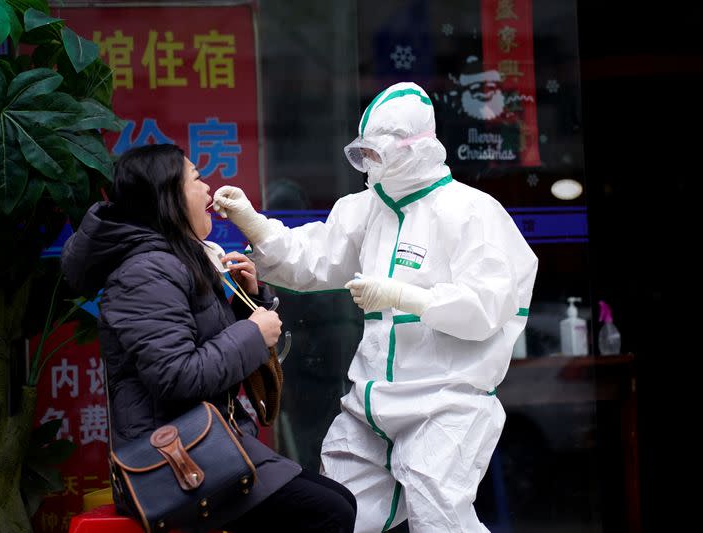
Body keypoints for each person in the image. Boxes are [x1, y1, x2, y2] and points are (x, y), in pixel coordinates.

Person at [212, 82, 538, 532]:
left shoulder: (471, 212)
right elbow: (312, 258)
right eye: (362, 153)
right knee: (337, 515)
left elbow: (488, 307)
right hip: (368, 406)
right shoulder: (366, 209)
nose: (369, 165)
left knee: (440, 519)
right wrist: (252, 221)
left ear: (417, 148)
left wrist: (405, 297)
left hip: (443, 405)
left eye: (377, 153)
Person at [60, 144, 356, 533]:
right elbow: (177, 376)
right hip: (170, 464)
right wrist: (253, 332)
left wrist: (251, 302)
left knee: (340, 503)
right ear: (168, 196)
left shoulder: (174, 258)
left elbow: (203, 345)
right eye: (196, 179)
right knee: (327, 511)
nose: (207, 190)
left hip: (208, 446)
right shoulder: (144, 273)